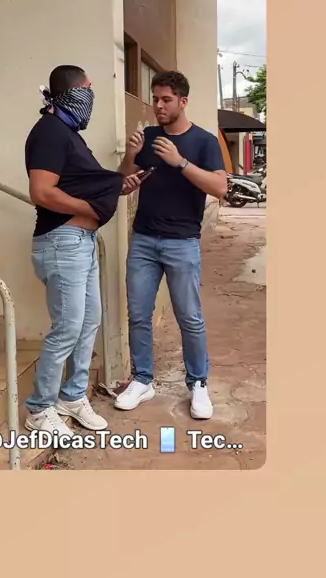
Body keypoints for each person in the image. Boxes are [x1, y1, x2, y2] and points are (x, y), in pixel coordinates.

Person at [24, 64, 141, 437]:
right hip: (62, 243)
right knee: (67, 328)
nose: (92, 96)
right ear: (72, 91)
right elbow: (41, 192)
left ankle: (72, 397)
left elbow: (83, 184)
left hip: (81, 244)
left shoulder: (69, 135)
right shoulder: (49, 132)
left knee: (89, 321)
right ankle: (39, 409)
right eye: (88, 89)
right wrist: (90, 209)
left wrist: (116, 187)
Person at [114, 70, 227, 419]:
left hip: (182, 242)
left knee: (189, 317)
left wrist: (180, 162)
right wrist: (130, 159)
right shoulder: (148, 137)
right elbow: (120, 182)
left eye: (166, 100)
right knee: (138, 314)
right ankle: (142, 380)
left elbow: (220, 187)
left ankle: (198, 383)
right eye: (155, 99)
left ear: (183, 101)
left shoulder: (204, 141)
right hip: (144, 239)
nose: (158, 106)